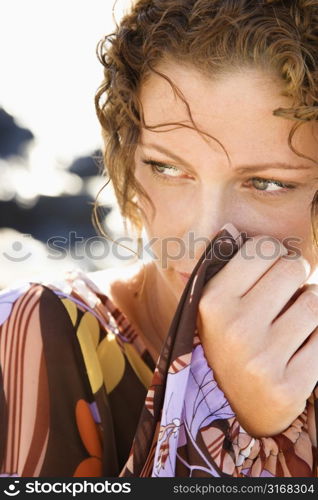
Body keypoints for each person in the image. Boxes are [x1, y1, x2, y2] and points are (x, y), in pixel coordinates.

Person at [0, 0, 318, 477]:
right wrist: (225, 412)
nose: (205, 235)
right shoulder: (41, 331)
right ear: (130, 160)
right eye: (168, 168)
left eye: (269, 183)